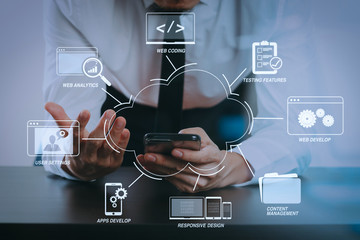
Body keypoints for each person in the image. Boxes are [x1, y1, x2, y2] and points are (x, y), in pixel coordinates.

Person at [43, 0, 314, 192]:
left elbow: (295, 130)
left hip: (219, 133)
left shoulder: (279, 5)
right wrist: (74, 161)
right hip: (115, 127)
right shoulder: (77, 4)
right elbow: (65, 128)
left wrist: (235, 165)